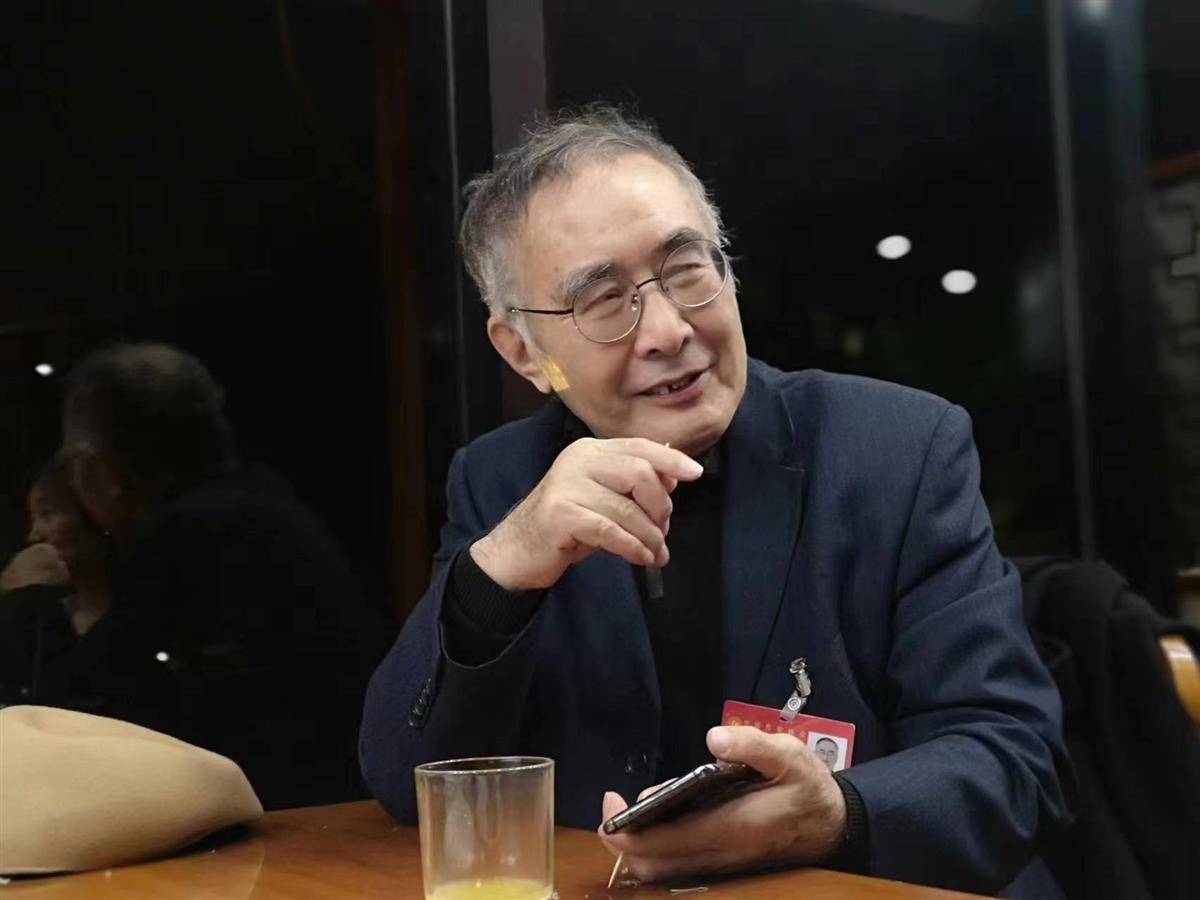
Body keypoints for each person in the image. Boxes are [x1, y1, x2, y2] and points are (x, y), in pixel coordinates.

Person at [359, 107, 1070, 895]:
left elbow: (1014, 764)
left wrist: (835, 815)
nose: (667, 330)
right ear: (523, 351)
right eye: (604, 299)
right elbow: (408, 785)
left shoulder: (897, 450)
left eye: (686, 269)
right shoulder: (502, 481)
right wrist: (505, 562)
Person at [52, 343, 386, 808]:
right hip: (334, 793)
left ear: (97, 468)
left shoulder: (185, 535)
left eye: (71, 463)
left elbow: (95, 705)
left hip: (276, 810)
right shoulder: (268, 503)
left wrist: (72, 599)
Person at [0, 460, 112, 705]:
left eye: (47, 513)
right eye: (33, 518)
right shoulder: (34, 612)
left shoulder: (143, 610)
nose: (34, 535)